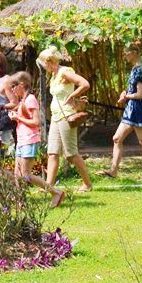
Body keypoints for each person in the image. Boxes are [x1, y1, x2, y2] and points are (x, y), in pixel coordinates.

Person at [37, 47, 92, 193]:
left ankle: (87, 183)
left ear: (49, 61)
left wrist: (72, 95)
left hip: (66, 116)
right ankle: (49, 186)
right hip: (56, 117)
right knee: (52, 152)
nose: (44, 66)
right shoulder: (54, 75)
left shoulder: (65, 72)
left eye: (44, 63)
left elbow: (85, 84)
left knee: (71, 153)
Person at [7, 71, 65, 207]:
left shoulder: (31, 99)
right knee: (17, 174)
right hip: (21, 140)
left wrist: (18, 118)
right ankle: (20, 201)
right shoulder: (23, 100)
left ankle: (55, 192)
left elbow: (36, 122)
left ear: (22, 85)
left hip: (30, 140)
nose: (12, 90)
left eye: (14, 86)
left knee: (26, 174)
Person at [102, 42, 142, 179]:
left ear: (134, 53)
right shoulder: (134, 69)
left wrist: (126, 96)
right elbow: (133, 91)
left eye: (127, 53)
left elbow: (139, 94)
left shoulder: (139, 70)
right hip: (130, 109)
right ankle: (113, 170)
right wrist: (125, 93)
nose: (125, 56)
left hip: (137, 110)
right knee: (117, 138)